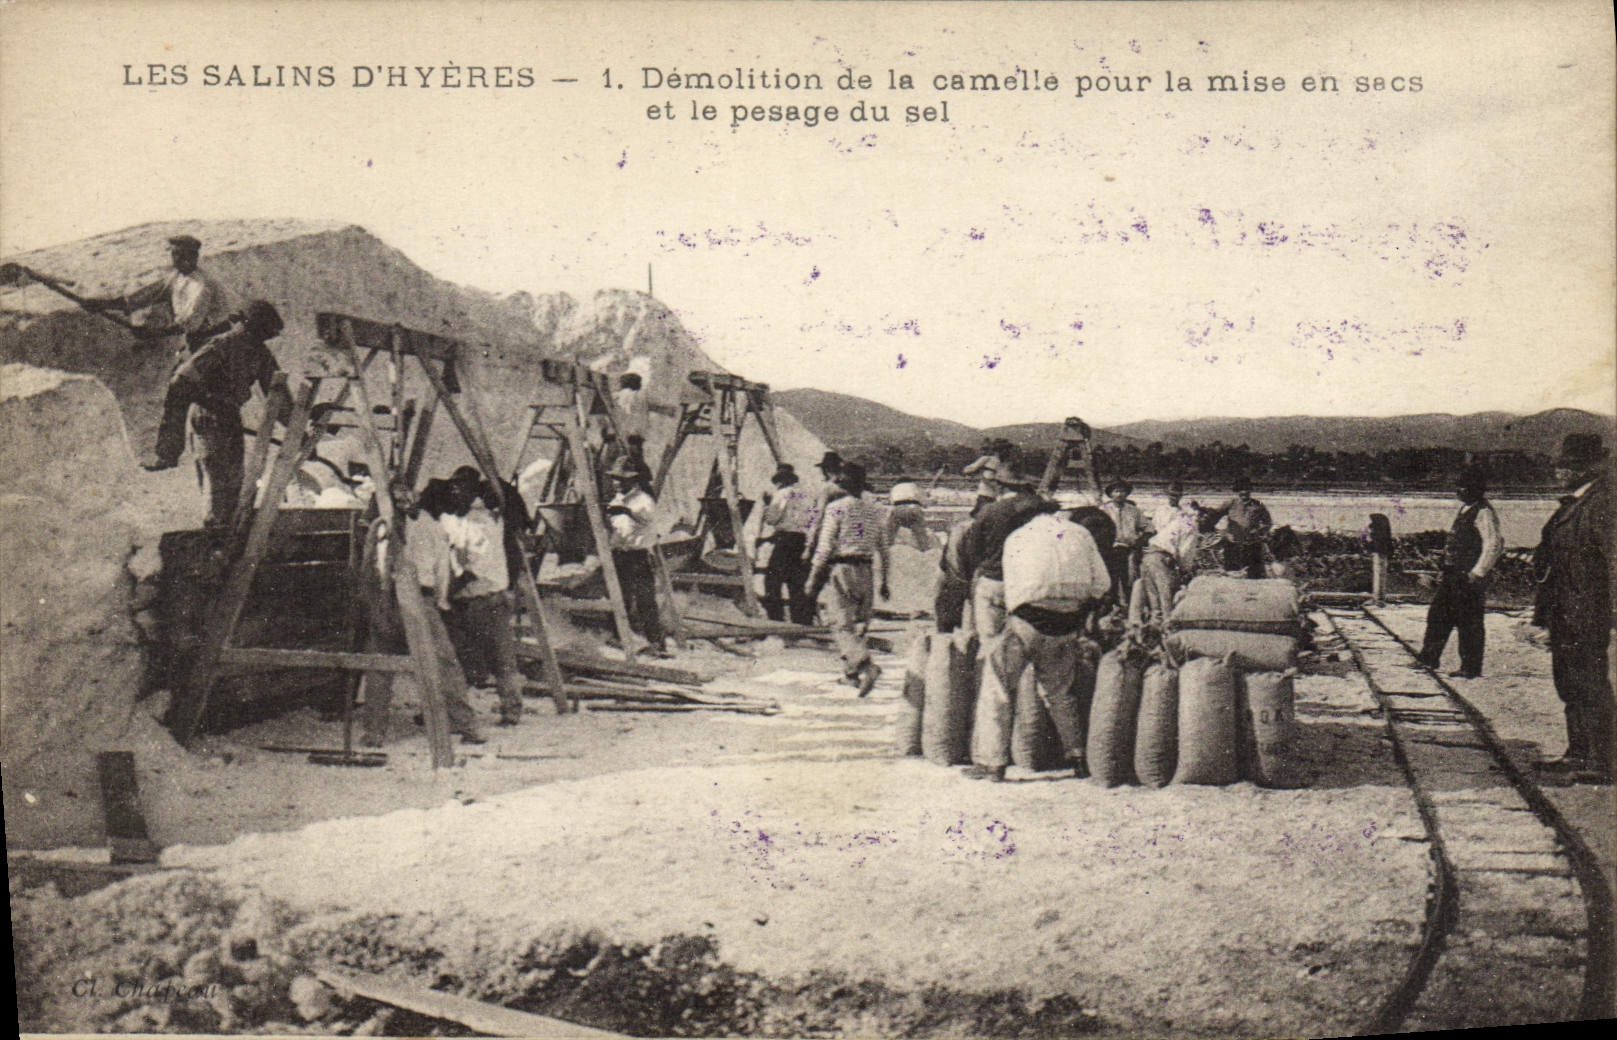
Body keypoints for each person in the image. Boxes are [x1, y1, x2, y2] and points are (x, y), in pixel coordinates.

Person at [966, 504, 1111, 782]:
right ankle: (1078, 757)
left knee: (998, 687)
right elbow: (1101, 584)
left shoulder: (1018, 537)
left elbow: (1010, 589)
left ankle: (992, 763)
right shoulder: (1080, 534)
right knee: (1060, 692)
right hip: (1067, 623)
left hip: (1027, 622)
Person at [358, 481, 485, 746]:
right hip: (420, 599)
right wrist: (441, 601)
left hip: (389, 598)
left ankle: (374, 731)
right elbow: (442, 573)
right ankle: (465, 724)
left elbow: (370, 568)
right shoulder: (431, 528)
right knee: (444, 663)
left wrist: (376, 602)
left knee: (380, 665)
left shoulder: (385, 529)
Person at [146, 300, 285, 524]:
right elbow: (180, 383)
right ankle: (214, 538)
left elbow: (279, 396)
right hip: (208, 419)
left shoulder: (260, 354)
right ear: (247, 325)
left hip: (230, 420)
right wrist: (169, 449)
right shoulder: (221, 346)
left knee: (236, 487)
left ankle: (227, 535)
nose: (260, 339)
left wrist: (300, 430)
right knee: (217, 486)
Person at [1532, 434, 1615, 784]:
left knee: (1590, 685)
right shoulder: (1574, 503)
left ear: (1588, 467)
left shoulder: (1604, 503)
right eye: (1558, 464)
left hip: (1588, 610)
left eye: (1567, 465)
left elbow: (1613, 562)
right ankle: (1579, 753)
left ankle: (1602, 760)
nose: (1558, 470)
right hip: (1566, 611)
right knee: (1569, 684)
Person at [440, 475, 524, 726]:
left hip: (474, 599)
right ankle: (512, 710)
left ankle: (455, 713)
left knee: (457, 659)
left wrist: (446, 592)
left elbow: (468, 570)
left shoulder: (466, 524)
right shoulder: (493, 519)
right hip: (495, 597)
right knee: (502, 659)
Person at [807, 462, 891, 695]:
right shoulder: (875, 510)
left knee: (840, 624)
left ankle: (866, 666)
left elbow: (824, 547)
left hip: (842, 568)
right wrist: (884, 581)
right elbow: (884, 549)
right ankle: (850, 674)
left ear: (842, 484)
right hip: (866, 569)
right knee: (859, 624)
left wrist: (813, 577)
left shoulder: (837, 509)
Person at [1415, 467, 1502, 678]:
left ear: (1475, 489)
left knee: (1469, 623)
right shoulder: (1465, 509)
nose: (1459, 491)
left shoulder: (1484, 512)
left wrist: (1478, 572)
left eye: (1463, 487)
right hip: (1452, 574)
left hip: (1468, 577)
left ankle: (1470, 668)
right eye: (1458, 487)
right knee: (1438, 615)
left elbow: (1493, 545)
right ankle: (1429, 658)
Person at [86, 234, 233, 351]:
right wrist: (102, 304)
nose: (178, 260)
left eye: (184, 255)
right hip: (198, 341)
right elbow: (142, 297)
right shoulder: (175, 278)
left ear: (194, 257)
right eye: (175, 255)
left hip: (218, 342)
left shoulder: (202, 285)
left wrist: (153, 333)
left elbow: (189, 323)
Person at [605, 457, 669, 655]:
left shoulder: (643, 500)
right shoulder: (615, 500)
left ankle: (656, 642)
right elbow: (615, 528)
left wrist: (627, 511)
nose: (615, 483)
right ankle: (620, 637)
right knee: (618, 598)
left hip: (638, 556)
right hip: (619, 555)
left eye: (620, 479)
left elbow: (647, 519)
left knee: (645, 600)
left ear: (631, 480)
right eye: (614, 479)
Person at [759, 463, 815, 624]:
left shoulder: (781, 494)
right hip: (801, 540)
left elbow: (772, 519)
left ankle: (776, 619)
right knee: (796, 583)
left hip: (785, 540)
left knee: (772, 580)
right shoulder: (805, 495)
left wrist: (767, 505)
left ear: (780, 481)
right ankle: (801, 621)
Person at [1140, 481, 1201, 624]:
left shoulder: (1181, 516)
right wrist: (1185, 568)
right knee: (1165, 594)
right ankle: (1167, 625)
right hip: (1163, 554)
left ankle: (1155, 623)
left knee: (1154, 595)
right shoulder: (1191, 525)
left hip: (1152, 552)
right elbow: (1186, 550)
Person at [1205, 476, 1272, 578]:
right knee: (1232, 575)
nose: (1244, 492)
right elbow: (1214, 517)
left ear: (1250, 490)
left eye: (1246, 489)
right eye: (1241, 489)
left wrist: (1259, 532)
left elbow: (1268, 522)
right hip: (1233, 546)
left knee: (1254, 576)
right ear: (1237, 491)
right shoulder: (1230, 504)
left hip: (1252, 546)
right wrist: (1223, 533)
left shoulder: (1258, 505)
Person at [1101, 479, 1148, 604]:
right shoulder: (1104, 510)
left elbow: (1149, 528)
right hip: (1110, 549)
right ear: (1111, 494)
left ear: (1127, 494)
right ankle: (1113, 606)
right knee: (1111, 579)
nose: (1119, 494)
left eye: (1122, 491)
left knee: (1130, 579)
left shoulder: (1133, 510)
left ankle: (1130, 606)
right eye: (1116, 491)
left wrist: (1140, 540)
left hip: (1129, 548)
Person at [801, 450, 845, 563]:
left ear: (826, 470)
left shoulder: (827, 489)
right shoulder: (846, 489)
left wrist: (808, 546)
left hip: (825, 536)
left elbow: (817, 517)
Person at [886, 479, 935, 551]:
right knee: (921, 534)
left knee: (890, 533)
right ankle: (925, 549)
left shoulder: (894, 488)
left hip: (898, 509)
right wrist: (927, 496)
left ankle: (886, 548)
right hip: (913, 509)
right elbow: (925, 504)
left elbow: (891, 501)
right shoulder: (915, 487)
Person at [962, 439, 1004, 517]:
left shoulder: (986, 458)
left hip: (985, 492)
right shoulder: (1002, 462)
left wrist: (970, 470)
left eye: (985, 449)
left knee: (978, 514)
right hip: (995, 493)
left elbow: (968, 470)